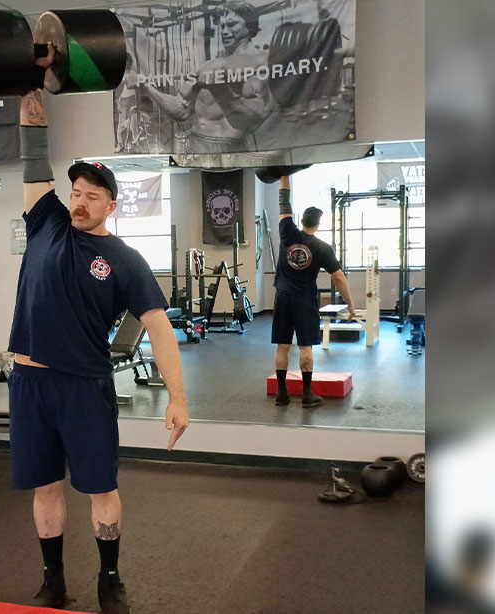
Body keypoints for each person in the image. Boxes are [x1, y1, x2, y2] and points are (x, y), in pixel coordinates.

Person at [11, 54, 190, 614]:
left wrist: (178, 397)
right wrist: (29, 99)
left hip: (85, 388)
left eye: (92, 195)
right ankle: (52, 579)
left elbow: (159, 327)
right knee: (44, 488)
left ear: (111, 206)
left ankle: (110, 579)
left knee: (100, 489)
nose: (80, 200)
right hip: (29, 384)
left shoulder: (124, 259)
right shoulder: (43, 222)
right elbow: (32, 157)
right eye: (76, 192)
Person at [133, 2, 271, 153]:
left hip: (234, 148)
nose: (225, 31)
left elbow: (258, 115)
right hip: (198, 146)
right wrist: (147, 89)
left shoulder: (263, 62)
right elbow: (181, 111)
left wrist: (220, 88)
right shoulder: (208, 66)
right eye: (222, 26)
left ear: (250, 26)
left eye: (232, 24)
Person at [272, 173, 357, 407]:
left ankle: (282, 394)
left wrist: (284, 176)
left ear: (301, 221)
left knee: (282, 346)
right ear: (318, 224)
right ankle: (307, 396)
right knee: (305, 347)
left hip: (282, 297)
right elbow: (338, 277)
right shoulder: (322, 247)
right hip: (305, 300)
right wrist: (349, 303)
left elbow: (283, 202)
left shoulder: (287, 232)